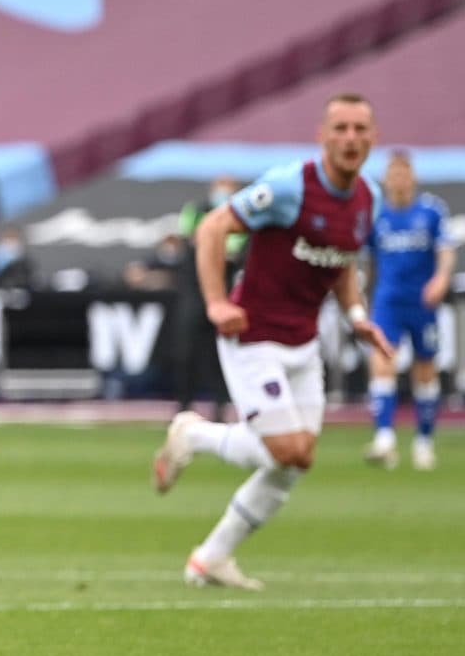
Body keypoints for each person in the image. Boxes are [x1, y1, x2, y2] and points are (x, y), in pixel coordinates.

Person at [152, 93, 392, 590]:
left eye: (360, 129)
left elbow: (342, 260)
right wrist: (217, 302)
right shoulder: (290, 186)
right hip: (253, 335)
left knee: (297, 461)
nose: (350, 138)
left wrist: (356, 316)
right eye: (341, 128)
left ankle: (210, 559)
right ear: (322, 136)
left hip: (304, 342)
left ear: (374, 137)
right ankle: (195, 435)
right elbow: (213, 228)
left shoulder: (368, 198)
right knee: (287, 449)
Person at [362, 150, 456, 471]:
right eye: (394, 175)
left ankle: (424, 441)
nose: (399, 181)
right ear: (386, 180)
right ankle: (384, 438)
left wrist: (441, 279)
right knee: (381, 359)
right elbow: (368, 259)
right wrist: (363, 297)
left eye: (404, 174)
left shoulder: (430, 211)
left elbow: (446, 249)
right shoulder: (376, 215)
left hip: (422, 302)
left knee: (425, 368)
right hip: (388, 301)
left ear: (413, 178)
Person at [172, 177, 246, 418]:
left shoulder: (239, 217)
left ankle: (220, 406)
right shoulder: (195, 211)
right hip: (194, 294)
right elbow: (190, 240)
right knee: (186, 352)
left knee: (220, 354)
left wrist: (210, 244)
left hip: (223, 295)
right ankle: (183, 405)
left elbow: (233, 250)